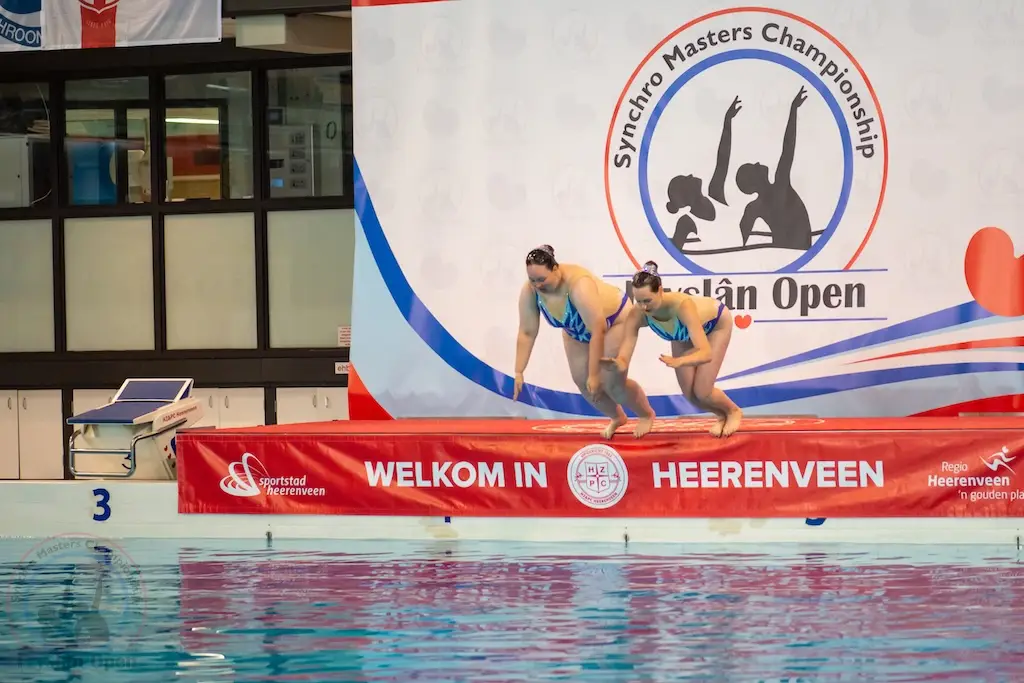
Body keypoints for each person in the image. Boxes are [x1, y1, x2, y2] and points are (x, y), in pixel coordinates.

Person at [513, 245, 657, 438]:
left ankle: (646, 415)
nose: (537, 285)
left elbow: (598, 329)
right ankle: (617, 417)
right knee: (583, 382)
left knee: (610, 383)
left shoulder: (578, 285)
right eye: (532, 280)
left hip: (614, 320)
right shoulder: (530, 290)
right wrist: (519, 371)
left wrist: (595, 374)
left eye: (542, 279)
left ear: (555, 269)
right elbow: (527, 332)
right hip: (576, 330)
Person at [602, 261, 742, 437]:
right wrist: (619, 363)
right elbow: (627, 346)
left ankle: (733, 411)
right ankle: (721, 415)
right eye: (639, 301)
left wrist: (680, 361)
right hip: (683, 335)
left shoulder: (682, 307)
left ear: (660, 291)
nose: (643, 307)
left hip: (715, 325)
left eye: (648, 300)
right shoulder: (638, 313)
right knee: (691, 396)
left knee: (703, 391)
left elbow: (705, 353)